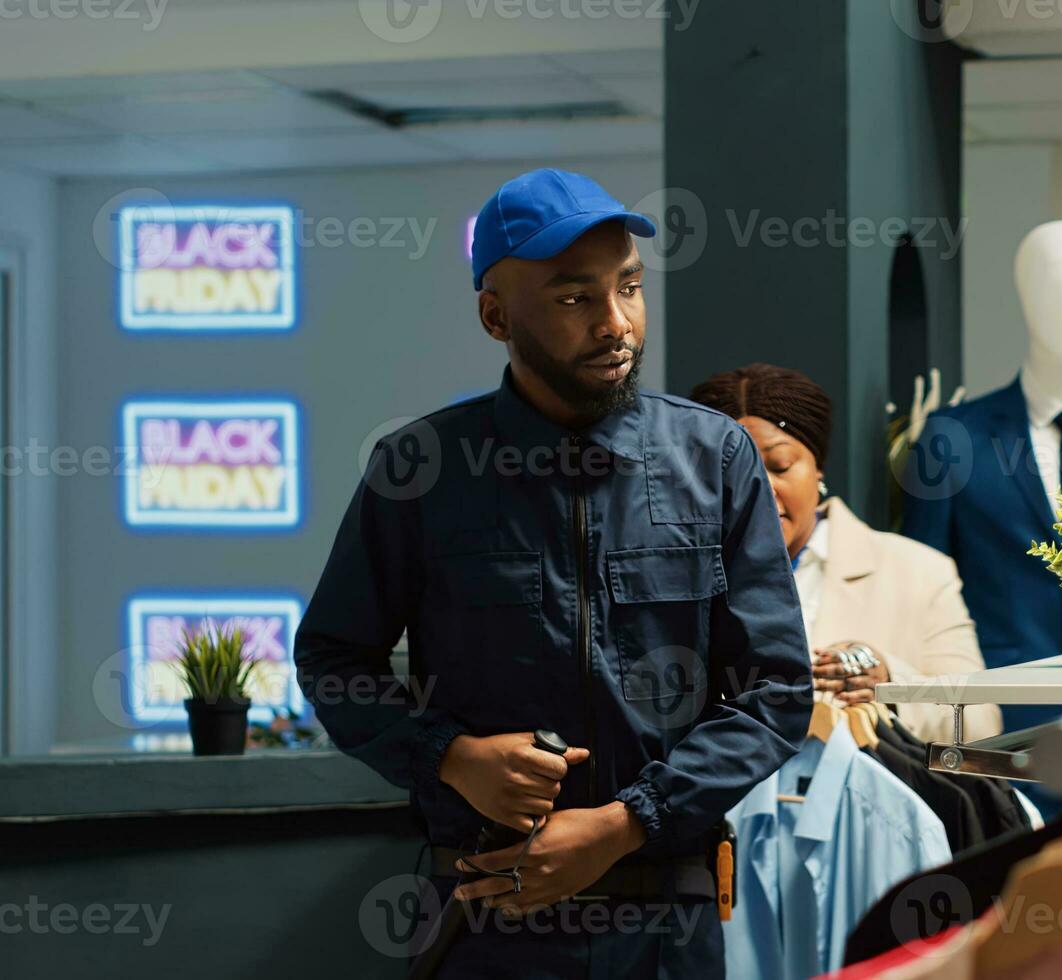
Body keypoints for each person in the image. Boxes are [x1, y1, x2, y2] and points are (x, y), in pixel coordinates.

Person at [294, 169, 811, 978]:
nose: (617, 324)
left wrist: (626, 823)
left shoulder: (714, 459)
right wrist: (452, 756)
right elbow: (332, 660)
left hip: (663, 921)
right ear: (496, 315)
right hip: (488, 917)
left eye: (630, 289)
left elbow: (775, 692)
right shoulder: (423, 470)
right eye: (576, 299)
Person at [689, 363, 1001, 744]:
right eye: (736, 470)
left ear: (817, 469)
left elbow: (982, 721)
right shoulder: (676, 574)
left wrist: (889, 683)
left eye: (780, 465)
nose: (760, 488)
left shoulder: (918, 571)